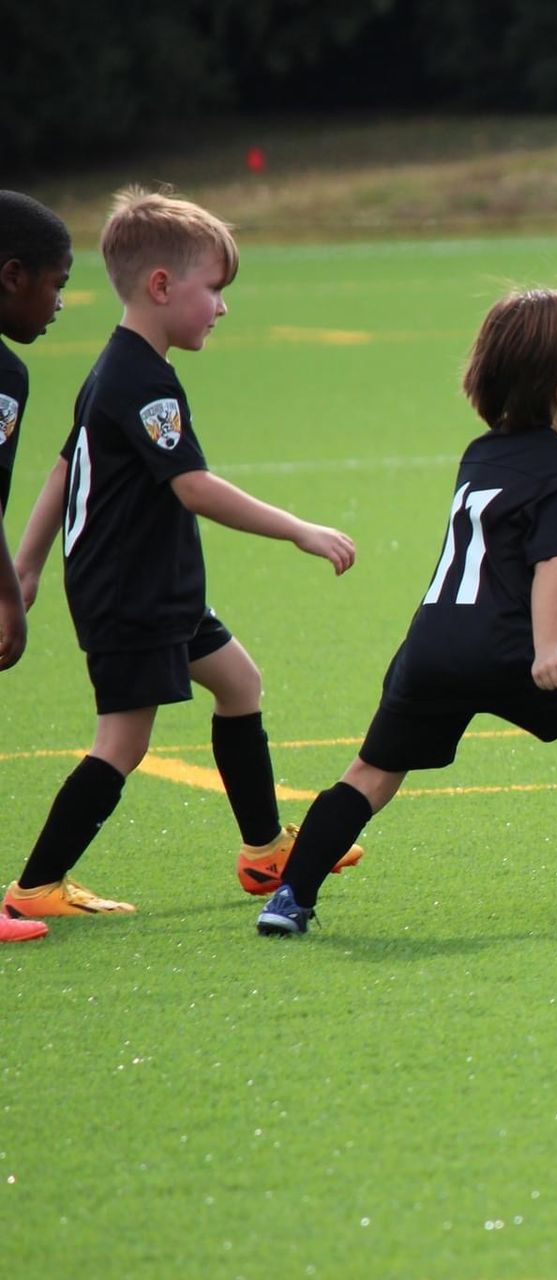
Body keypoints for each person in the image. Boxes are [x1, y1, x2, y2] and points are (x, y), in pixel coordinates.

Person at [257, 288, 557, 936]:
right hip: (505, 645)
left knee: (373, 773)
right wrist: (550, 649)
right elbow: (553, 559)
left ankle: (290, 897)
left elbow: (546, 527)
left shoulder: (482, 453)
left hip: (430, 645)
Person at [2, 188, 358, 927]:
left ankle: (264, 851)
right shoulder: (140, 379)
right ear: (162, 286)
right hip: (130, 590)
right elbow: (193, 487)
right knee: (122, 742)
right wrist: (298, 528)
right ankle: (35, 885)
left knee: (239, 681)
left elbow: (65, 466)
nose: (221, 309)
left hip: (156, 583)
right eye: (215, 290)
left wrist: (28, 567)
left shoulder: (121, 367)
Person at [0, 191, 72, 943]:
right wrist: (12, 596)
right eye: (56, 283)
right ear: (12, 274)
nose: (58, 303)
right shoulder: (2, 375)